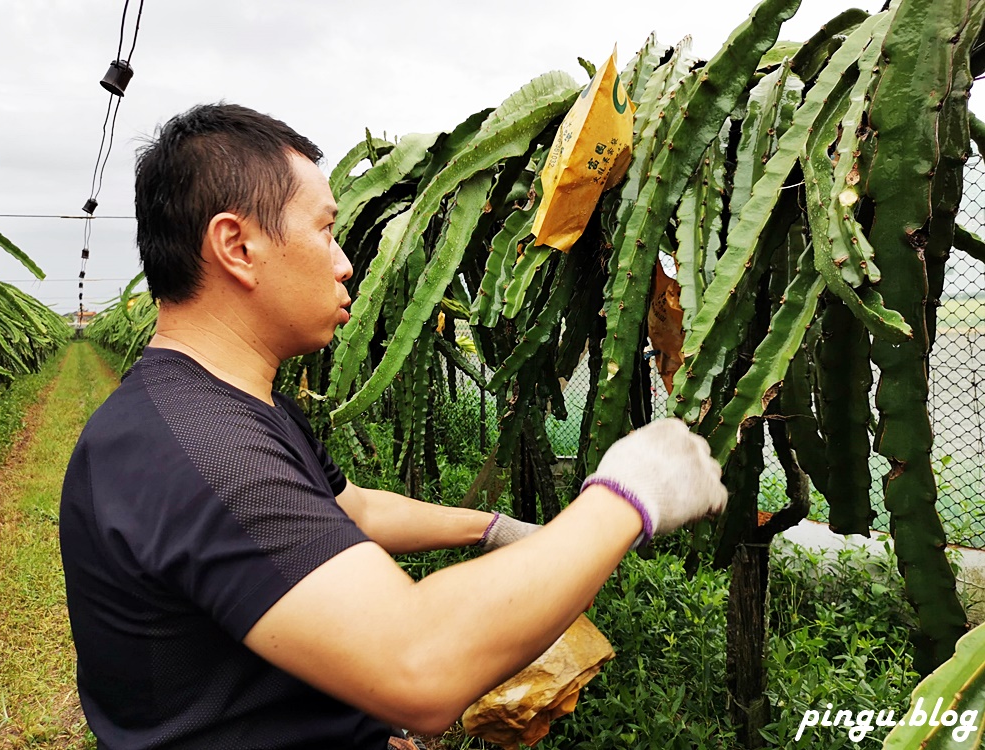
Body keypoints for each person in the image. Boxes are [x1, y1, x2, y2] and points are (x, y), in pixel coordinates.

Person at [59, 103, 728, 750]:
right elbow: (419, 666)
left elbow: (349, 509)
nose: (345, 261)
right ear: (236, 246)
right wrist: (625, 498)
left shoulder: (222, 408)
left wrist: (490, 528)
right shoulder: (207, 451)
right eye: (325, 230)